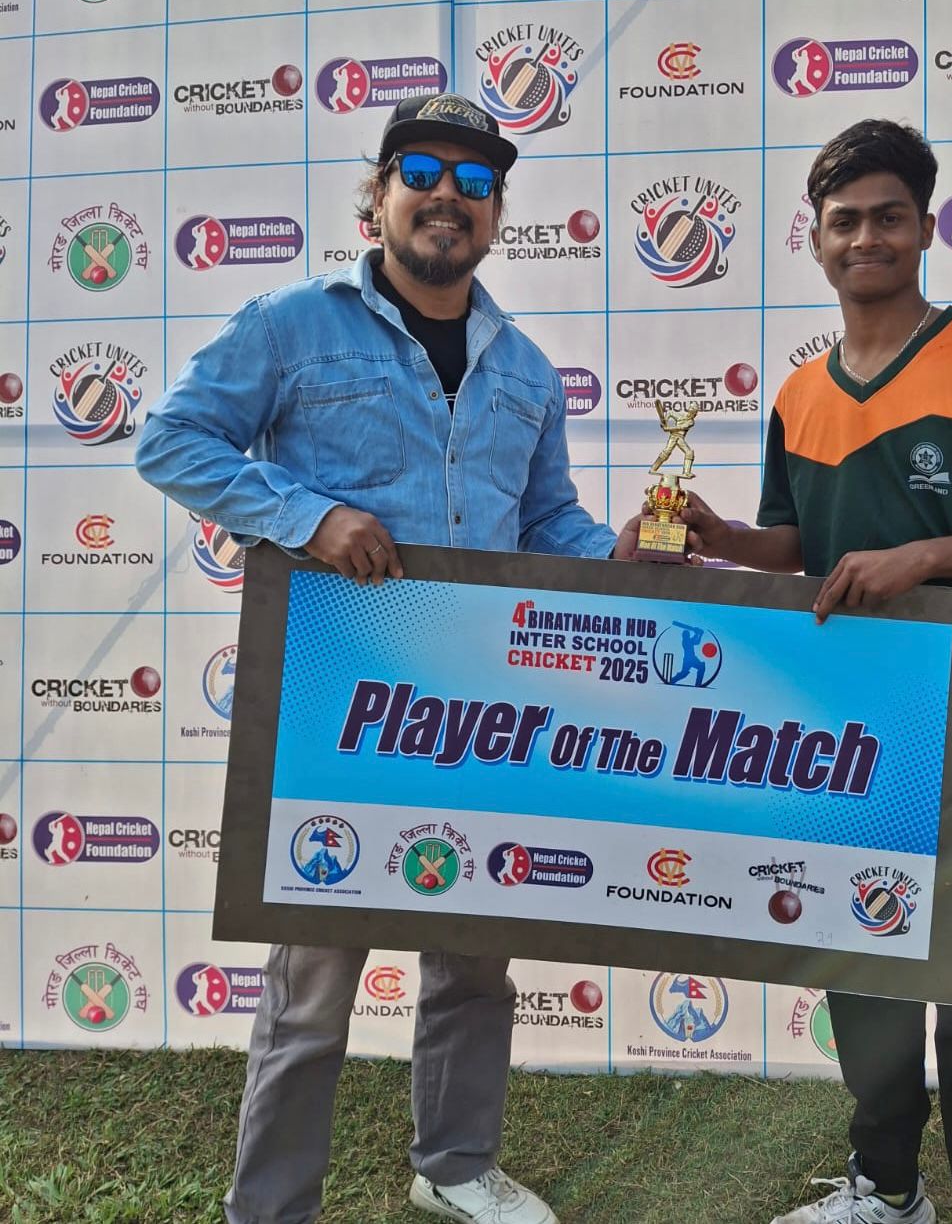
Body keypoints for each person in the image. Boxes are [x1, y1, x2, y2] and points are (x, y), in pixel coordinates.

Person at [136, 92, 651, 1224]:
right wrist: (308, 515)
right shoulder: (290, 324)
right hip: (341, 706)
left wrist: (617, 555)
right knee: (313, 983)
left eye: (474, 182)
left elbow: (545, 521)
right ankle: (270, 1207)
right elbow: (170, 440)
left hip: (479, 711)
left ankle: (454, 1164)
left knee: (474, 955)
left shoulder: (526, 370)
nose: (446, 196)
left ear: (496, 214)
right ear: (377, 196)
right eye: (420, 171)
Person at [680, 120, 952, 1224]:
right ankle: (885, 1184)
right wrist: (721, 537)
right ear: (814, 240)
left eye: (887, 217)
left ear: (924, 227)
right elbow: (799, 545)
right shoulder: (798, 395)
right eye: (843, 221)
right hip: (838, 710)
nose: (864, 237)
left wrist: (924, 557)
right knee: (856, 949)